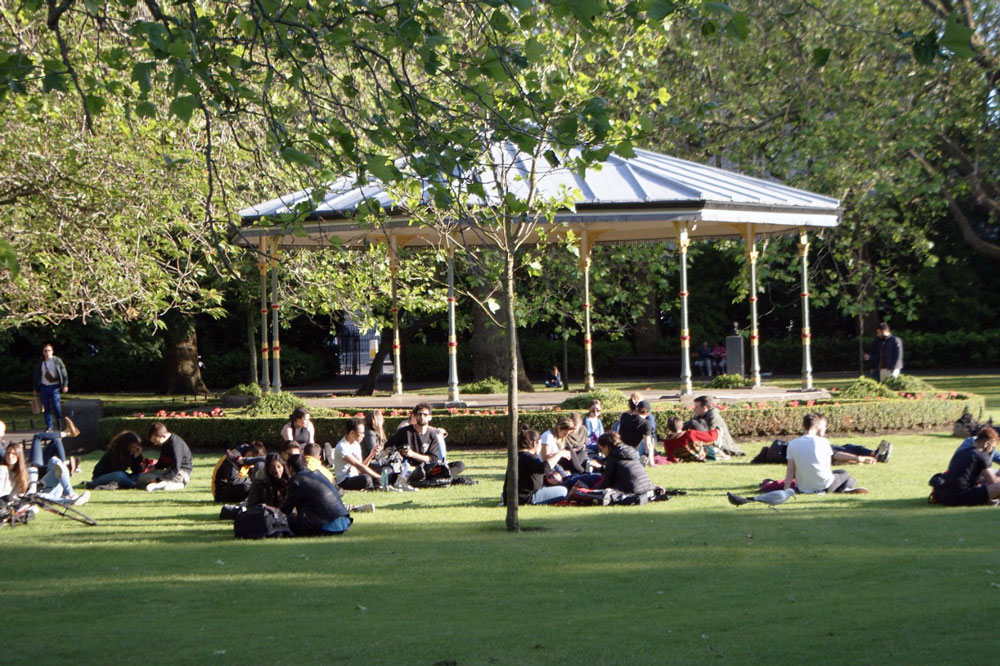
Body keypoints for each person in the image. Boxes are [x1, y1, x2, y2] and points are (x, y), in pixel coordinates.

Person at [783, 413, 867, 495]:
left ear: (803, 426)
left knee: (838, 473)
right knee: (844, 474)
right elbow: (827, 466)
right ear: (817, 427)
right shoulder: (823, 442)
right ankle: (846, 488)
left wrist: (785, 489)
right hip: (825, 486)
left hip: (803, 488)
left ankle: (843, 488)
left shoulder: (792, 444)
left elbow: (790, 470)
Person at [385, 403, 464, 482]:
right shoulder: (405, 432)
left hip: (428, 469)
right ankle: (436, 479)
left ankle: (433, 478)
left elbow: (433, 459)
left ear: (430, 417)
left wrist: (412, 454)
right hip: (410, 469)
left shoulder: (432, 435)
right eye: (419, 414)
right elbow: (388, 446)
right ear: (415, 416)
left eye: (425, 415)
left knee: (459, 465)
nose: (422, 417)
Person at [280, 454, 352, 536]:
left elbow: (286, 509)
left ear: (290, 468)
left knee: (285, 520)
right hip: (343, 523)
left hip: (326, 525)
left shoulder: (296, 480)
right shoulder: (318, 474)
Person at [501, 428, 570, 505]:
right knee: (564, 491)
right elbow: (544, 468)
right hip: (526, 497)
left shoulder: (517, 456)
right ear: (535, 444)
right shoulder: (529, 457)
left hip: (510, 496)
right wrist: (560, 454)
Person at [936, 427, 1000, 506]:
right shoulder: (982, 456)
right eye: (992, 447)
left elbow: (968, 479)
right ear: (986, 444)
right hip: (963, 496)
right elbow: (993, 481)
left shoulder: (962, 452)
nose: (992, 451)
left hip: (946, 497)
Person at [593, 432, 655, 497]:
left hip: (633, 491)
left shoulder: (613, 457)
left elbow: (607, 482)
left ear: (606, 447)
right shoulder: (630, 453)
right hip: (648, 488)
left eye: (601, 449)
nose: (601, 452)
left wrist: (593, 489)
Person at [138, 422, 193, 491]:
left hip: (180, 473)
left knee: (165, 487)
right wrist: (155, 467)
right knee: (140, 478)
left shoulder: (175, 444)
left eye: (156, 441)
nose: (155, 444)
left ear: (163, 436)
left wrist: (158, 479)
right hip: (169, 472)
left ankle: (172, 484)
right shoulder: (164, 443)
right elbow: (163, 461)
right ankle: (161, 483)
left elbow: (175, 468)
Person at [333, 418, 382, 490]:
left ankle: (377, 486)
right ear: (352, 433)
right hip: (344, 481)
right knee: (366, 478)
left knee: (379, 471)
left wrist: (371, 455)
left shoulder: (356, 445)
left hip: (356, 476)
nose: (363, 435)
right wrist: (378, 477)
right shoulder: (342, 447)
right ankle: (373, 488)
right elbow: (359, 466)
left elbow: (360, 468)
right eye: (361, 433)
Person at [32, 342, 69, 431]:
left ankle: (59, 421)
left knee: (56, 405)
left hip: (54, 386)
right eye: (45, 351)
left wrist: (65, 384)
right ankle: (49, 425)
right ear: (43, 352)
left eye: (49, 350)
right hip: (44, 387)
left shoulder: (57, 361)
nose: (47, 352)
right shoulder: (41, 362)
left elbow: (63, 373)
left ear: (52, 351)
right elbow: (37, 375)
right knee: (46, 407)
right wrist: (35, 388)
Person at [617, 399, 656, 466]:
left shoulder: (624, 416)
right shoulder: (646, 424)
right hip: (630, 452)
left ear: (636, 409)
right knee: (650, 444)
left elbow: (629, 413)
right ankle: (651, 463)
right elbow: (648, 445)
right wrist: (650, 460)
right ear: (648, 413)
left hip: (618, 449)